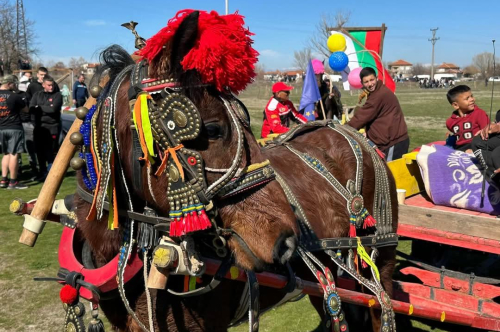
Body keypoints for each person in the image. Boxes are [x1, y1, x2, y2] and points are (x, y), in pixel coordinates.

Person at [347, 67, 409, 161]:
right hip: (388, 142)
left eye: (372, 80)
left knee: (390, 174)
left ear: (376, 78)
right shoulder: (376, 92)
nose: (370, 84)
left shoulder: (379, 95)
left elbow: (361, 118)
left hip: (393, 143)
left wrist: (344, 130)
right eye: (366, 82)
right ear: (362, 83)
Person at [29, 75, 62, 181]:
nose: (51, 87)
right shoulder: (37, 95)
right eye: (49, 85)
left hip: (52, 127)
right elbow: (32, 108)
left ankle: (51, 174)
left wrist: (40, 107)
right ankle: (42, 172)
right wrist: (45, 108)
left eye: (52, 85)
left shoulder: (57, 95)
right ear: (43, 85)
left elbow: (53, 110)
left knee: (50, 151)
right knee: (39, 151)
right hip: (39, 127)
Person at [0, 75, 29, 189]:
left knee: (6, 153)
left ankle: (3, 180)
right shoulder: (14, 96)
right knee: (14, 154)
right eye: (13, 83)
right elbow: (26, 109)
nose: (15, 85)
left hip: (1, 127)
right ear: (9, 84)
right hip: (14, 127)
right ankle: (13, 181)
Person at [445, 85, 489, 152]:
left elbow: (486, 134)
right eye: (467, 98)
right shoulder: (450, 122)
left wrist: (474, 149)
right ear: (455, 105)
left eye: (471, 96)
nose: (472, 99)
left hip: (476, 147)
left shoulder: (480, 114)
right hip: (459, 149)